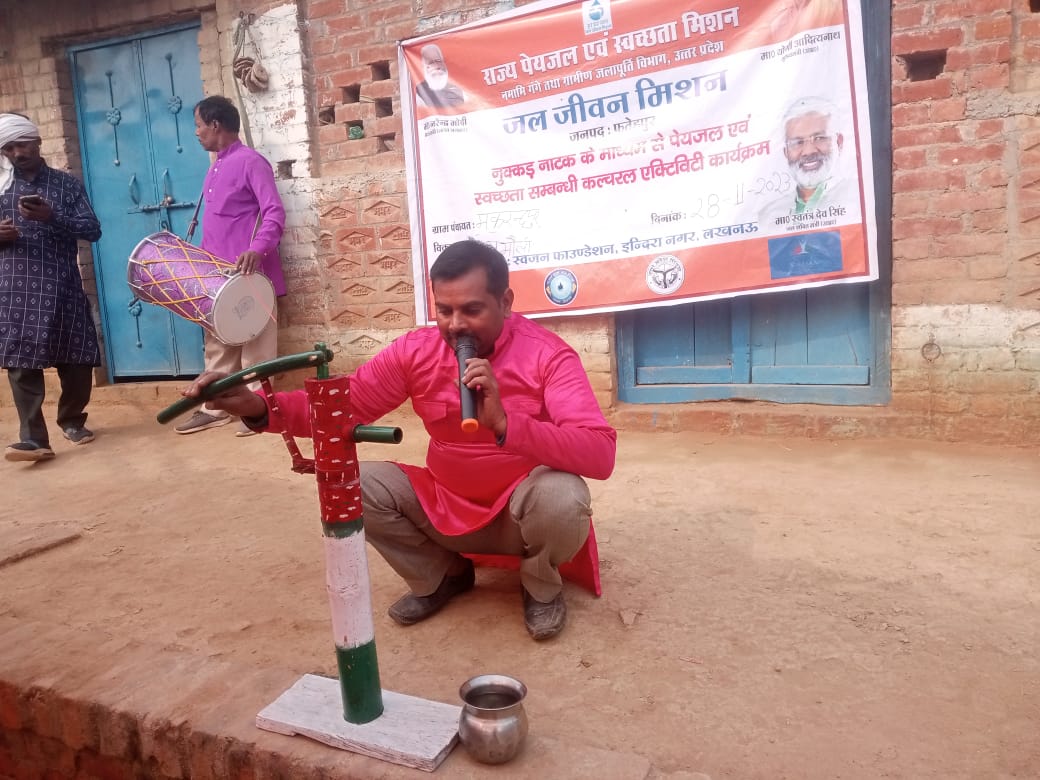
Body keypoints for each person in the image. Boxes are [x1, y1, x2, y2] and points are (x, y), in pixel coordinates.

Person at [184, 239, 617, 640]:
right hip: (444, 507)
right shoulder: (415, 351)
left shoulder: (548, 355)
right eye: (444, 310)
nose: (455, 326)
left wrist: (507, 425)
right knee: (353, 485)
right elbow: (343, 409)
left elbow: (600, 453)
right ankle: (442, 575)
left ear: (505, 302)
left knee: (563, 495)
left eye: (472, 310)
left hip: (519, 518)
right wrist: (257, 406)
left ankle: (540, 586)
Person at [175, 96, 286, 437]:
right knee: (218, 345)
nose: (196, 132)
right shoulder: (215, 167)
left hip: (252, 275)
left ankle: (257, 410)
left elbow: (274, 212)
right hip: (216, 276)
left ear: (215, 125)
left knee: (257, 347)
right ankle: (215, 407)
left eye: (198, 125)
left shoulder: (251, 162)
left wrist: (257, 249)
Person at [0, 112, 102, 463]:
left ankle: (71, 419)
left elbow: (92, 229)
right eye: (9, 148)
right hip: (16, 288)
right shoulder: (1, 187)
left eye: (23, 144)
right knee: (21, 362)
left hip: (62, 284)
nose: (17, 153)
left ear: (38, 142)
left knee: (77, 358)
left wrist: (51, 216)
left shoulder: (66, 185)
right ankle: (33, 439)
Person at [758, 96, 858, 229]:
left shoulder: (859, 198)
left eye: (819, 138)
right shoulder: (769, 218)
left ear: (839, 142)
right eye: (797, 142)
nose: (808, 151)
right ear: (786, 152)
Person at [415, 44, 466, 110]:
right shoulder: (419, 91)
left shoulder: (458, 87)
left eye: (438, 61)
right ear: (425, 67)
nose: (436, 66)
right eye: (431, 62)